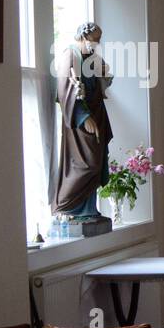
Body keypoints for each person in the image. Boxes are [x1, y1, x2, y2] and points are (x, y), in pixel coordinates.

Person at [51, 22, 113, 219]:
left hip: (97, 116)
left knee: (96, 162)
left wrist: (104, 72)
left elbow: (102, 81)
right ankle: (66, 206)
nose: (98, 43)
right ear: (84, 38)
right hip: (81, 120)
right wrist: (83, 116)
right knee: (87, 163)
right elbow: (64, 91)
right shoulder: (70, 56)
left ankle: (88, 210)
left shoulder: (90, 57)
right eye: (95, 40)